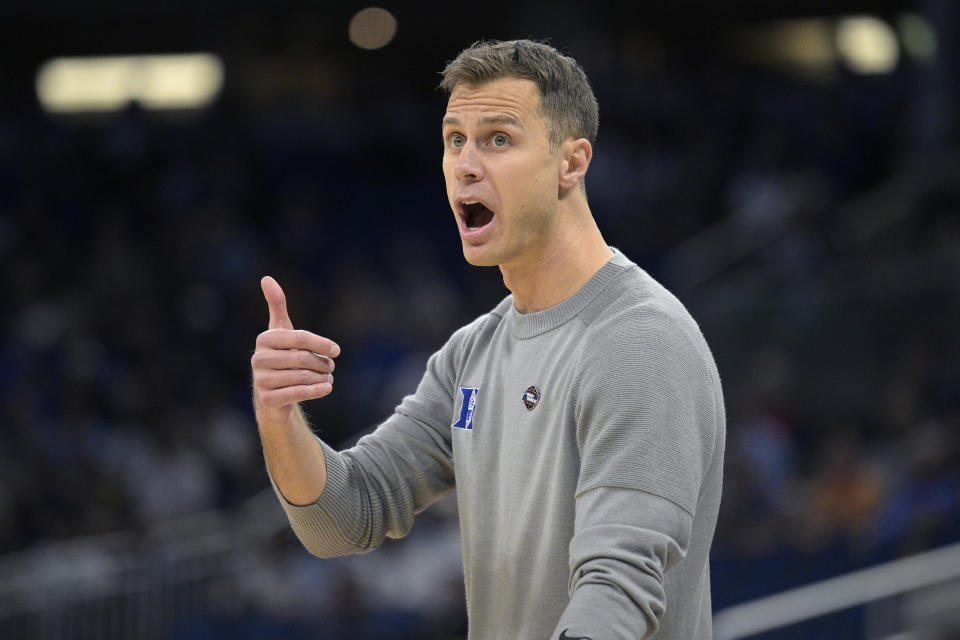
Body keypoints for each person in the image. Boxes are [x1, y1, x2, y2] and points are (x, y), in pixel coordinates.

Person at [251, 39, 725, 639]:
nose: (466, 165)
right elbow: (343, 519)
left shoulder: (643, 342)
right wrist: (278, 414)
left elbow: (617, 590)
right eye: (455, 140)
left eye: (498, 139)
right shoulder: (471, 353)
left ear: (571, 162)